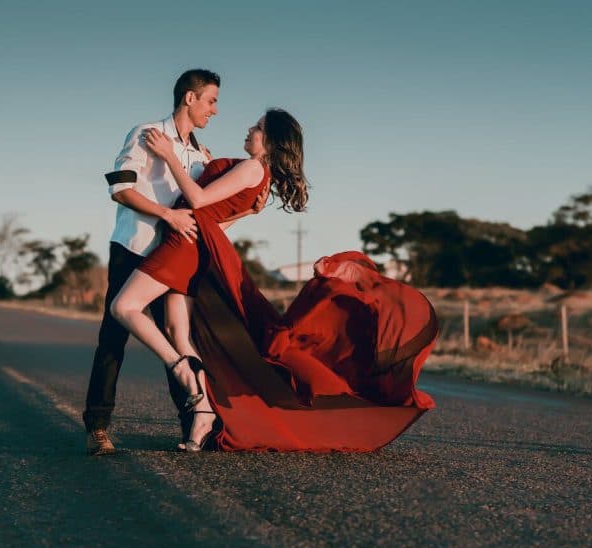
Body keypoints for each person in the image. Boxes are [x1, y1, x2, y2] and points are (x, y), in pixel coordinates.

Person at [112, 108, 440, 453]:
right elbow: (214, 221)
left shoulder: (253, 167)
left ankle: (181, 369)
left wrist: (168, 155)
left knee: (124, 307)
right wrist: (242, 208)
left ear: (270, 141)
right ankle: (203, 412)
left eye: (258, 127)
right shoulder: (259, 175)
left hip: (182, 245)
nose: (249, 129)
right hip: (195, 243)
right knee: (177, 332)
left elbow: (197, 200)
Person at [84, 69, 264, 456]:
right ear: (190, 98)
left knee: (175, 334)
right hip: (135, 246)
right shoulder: (147, 133)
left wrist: (248, 211)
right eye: (211, 101)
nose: (215, 110)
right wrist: (167, 215)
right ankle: (97, 427)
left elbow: (206, 215)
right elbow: (120, 189)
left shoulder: (201, 156)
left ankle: (194, 422)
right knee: (113, 338)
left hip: (175, 255)